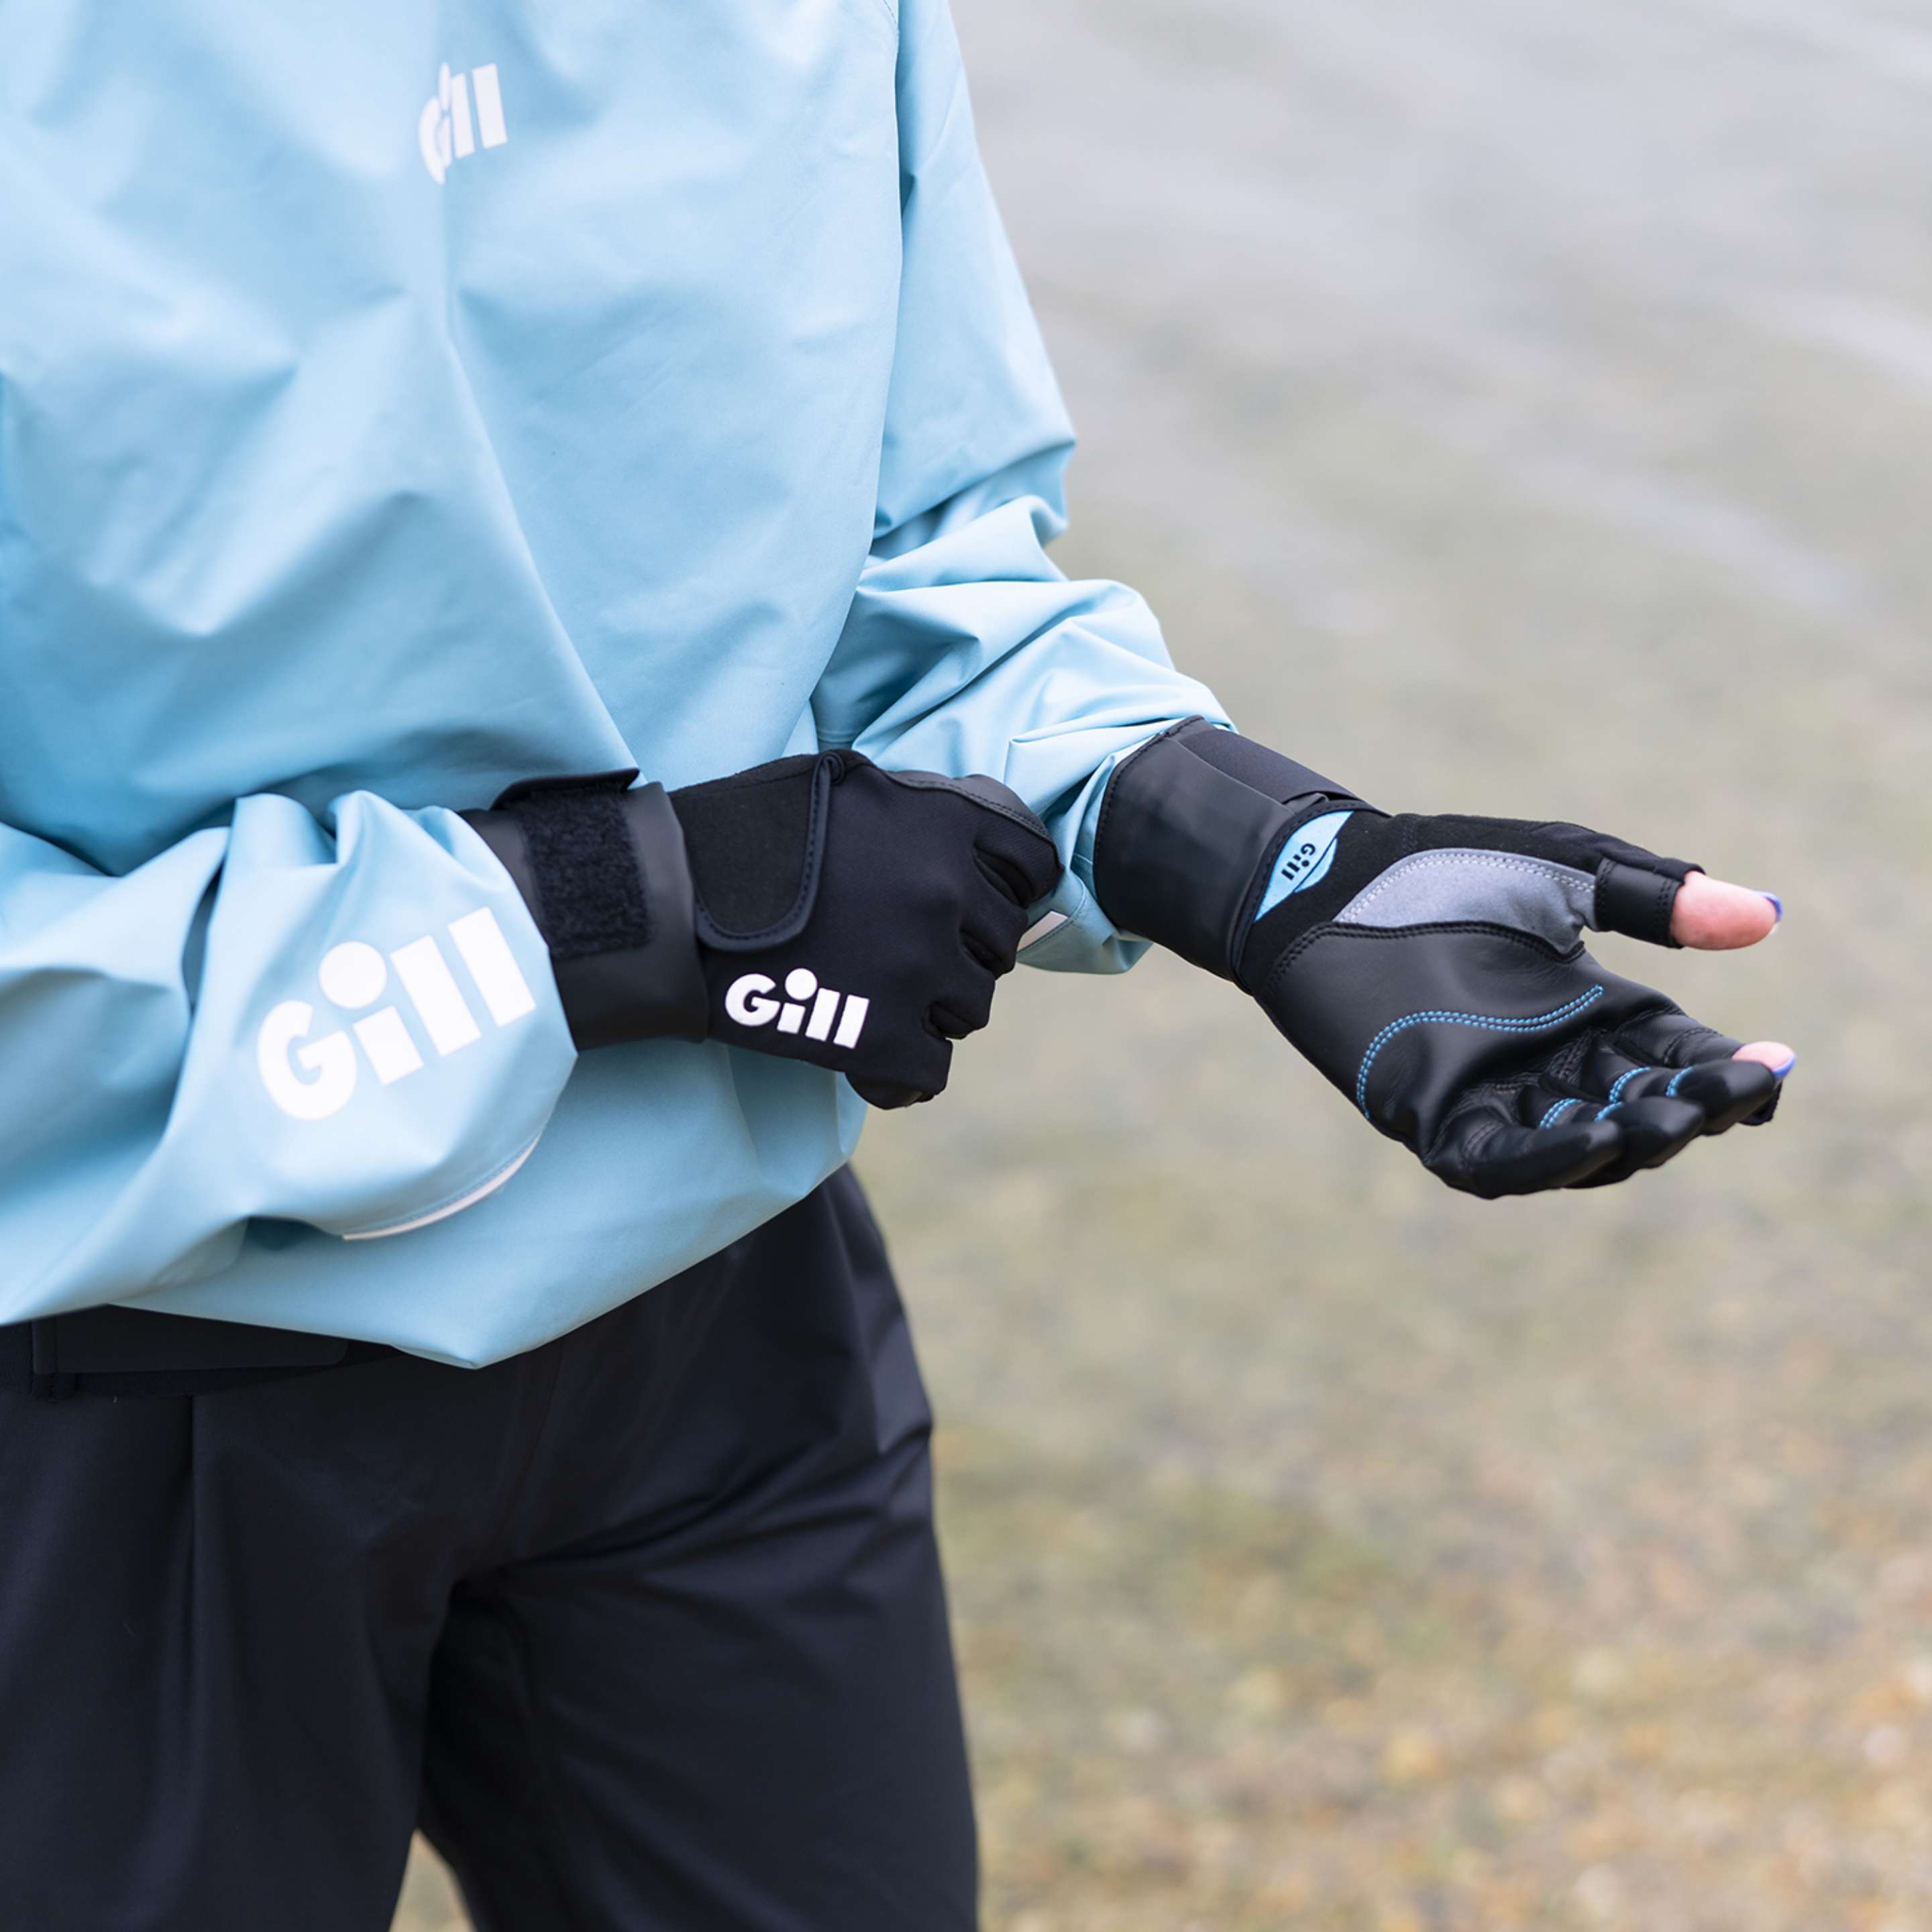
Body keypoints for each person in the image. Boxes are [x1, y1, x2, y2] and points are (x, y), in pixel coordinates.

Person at [0, 4, 1790, 1928]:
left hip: (719, 1290)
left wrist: (1243, 852)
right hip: (101, 1362)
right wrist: (596, 911)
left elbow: (911, 558)